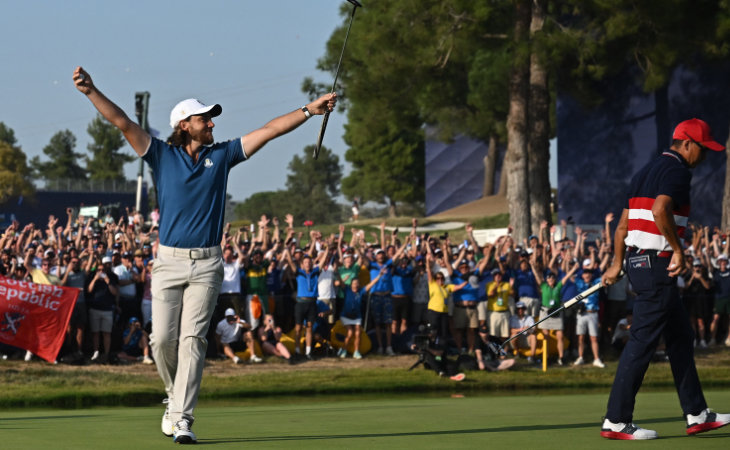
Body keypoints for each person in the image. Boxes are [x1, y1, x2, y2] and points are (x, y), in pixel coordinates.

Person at [73, 66, 336, 444]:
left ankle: (183, 418)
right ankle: (173, 398)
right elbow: (122, 122)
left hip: (208, 264)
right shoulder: (161, 155)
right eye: (203, 118)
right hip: (168, 262)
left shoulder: (224, 155)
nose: (211, 123)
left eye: (211, 118)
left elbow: (270, 129)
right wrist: (90, 91)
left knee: (193, 339)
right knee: (162, 339)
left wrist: (309, 110)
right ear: (184, 125)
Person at [601, 118, 730, 440]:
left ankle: (697, 413)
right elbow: (661, 210)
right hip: (658, 266)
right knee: (642, 342)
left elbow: (622, 226)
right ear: (687, 143)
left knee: (681, 338)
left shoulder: (645, 171)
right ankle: (616, 421)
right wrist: (678, 250)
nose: (704, 156)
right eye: (703, 148)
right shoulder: (677, 171)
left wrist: (617, 264)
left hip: (640, 263)